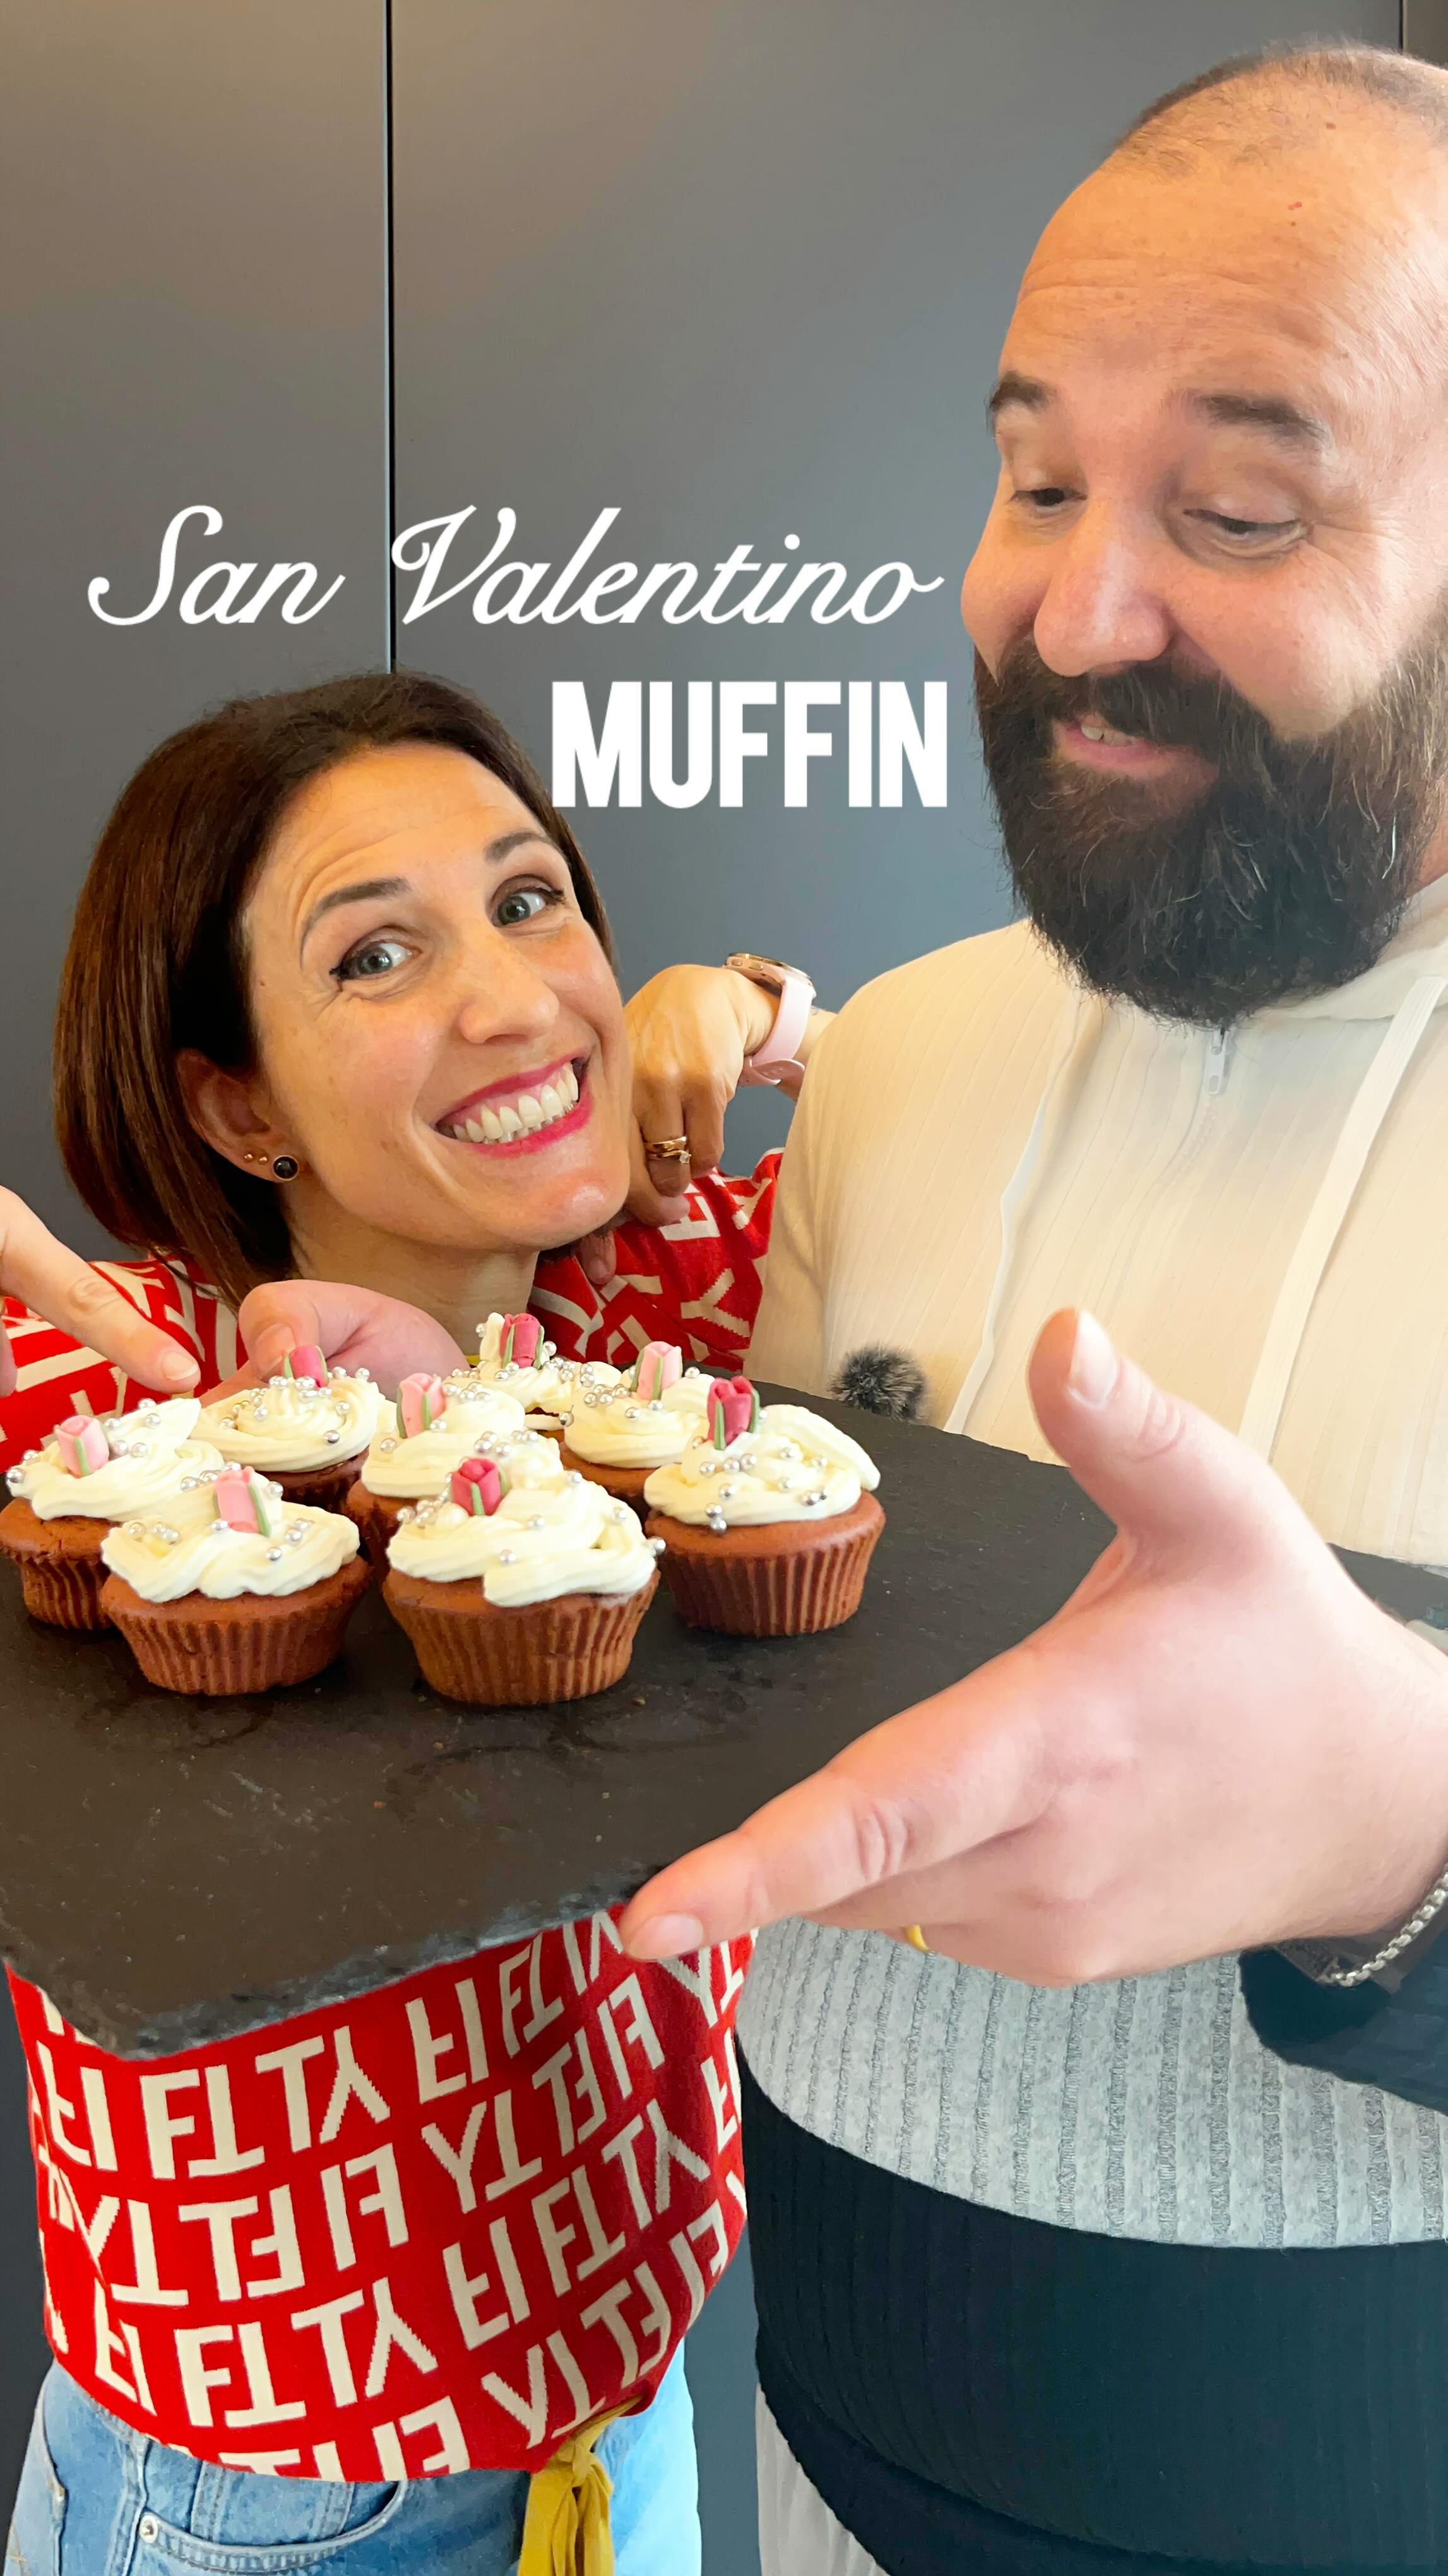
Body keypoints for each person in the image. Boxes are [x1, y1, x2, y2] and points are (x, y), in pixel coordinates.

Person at [620, 42, 1448, 2576]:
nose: (1080, 608)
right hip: (818, 2447)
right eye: (1035, 481)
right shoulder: (888, 1061)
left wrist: (1402, 1839)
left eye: (1230, 501)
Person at [0, 671, 824, 2574]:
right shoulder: (108, 1394)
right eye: (376, 954)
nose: (514, 997)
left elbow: (1027, 1108)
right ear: (236, 1102)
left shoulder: (676, 1319)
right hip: (281, 2502)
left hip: (636, 2423)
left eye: (535, 902)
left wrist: (774, 1008)